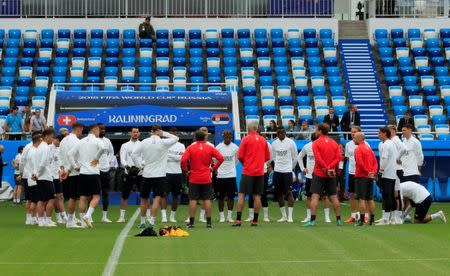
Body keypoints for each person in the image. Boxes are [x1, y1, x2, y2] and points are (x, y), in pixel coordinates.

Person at [132, 125, 179, 228]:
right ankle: (152, 222)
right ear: (158, 131)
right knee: (156, 199)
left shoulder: (144, 142)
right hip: (160, 175)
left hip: (147, 174)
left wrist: (139, 166)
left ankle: (143, 222)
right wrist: (164, 133)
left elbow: (134, 154)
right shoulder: (163, 142)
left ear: (151, 131)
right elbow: (176, 138)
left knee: (144, 199)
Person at [181, 130, 224, 228]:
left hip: (194, 177)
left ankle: (191, 223)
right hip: (206, 177)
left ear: (195, 138)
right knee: (207, 199)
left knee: (193, 200)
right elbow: (221, 158)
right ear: (205, 137)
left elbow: (183, 160)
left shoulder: (190, 148)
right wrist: (213, 169)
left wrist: (187, 170)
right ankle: (209, 223)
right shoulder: (209, 147)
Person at [67, 124, 106, 228]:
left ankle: (83, 223)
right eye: (99, 130)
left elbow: (69, 154)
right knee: (96, 196)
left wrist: (75, 166)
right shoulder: (98, 140)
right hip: (93, 172)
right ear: (95, 130)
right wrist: (97, 158)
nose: (100, 132)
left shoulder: (81, 141)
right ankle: (88, 215)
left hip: (82, 173)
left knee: (82, 197)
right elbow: (103, 148)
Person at [304, 123, 343, 227]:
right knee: (334, 197)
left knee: (315, 196)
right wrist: (330, 167)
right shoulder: (334, 143)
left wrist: (325, 167)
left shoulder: (316, 143)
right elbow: (339, 157)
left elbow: (318, 158)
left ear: (320, 131)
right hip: (330, 174)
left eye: (316, 130)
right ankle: (338, 220)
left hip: (319, 173)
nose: (315, 131)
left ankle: (312, 221)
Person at [233, 122, 270, 227]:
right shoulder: (263, 140)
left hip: (248, 171)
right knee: (257, 196)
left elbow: (240, 156)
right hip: (259, 172)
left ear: (248, 129)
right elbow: (267, 157)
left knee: (242, 194)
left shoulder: (246, 139)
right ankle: (255, 221)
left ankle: (238, 220)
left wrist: (246, 163)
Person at [298, 133, 332, 223]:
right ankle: (309, 217)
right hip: (310, 176)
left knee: (324, 197)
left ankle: (327, 217)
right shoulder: (307, 146)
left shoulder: (324, 147)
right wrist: (303, 168)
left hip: (321, 175)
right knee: (309, 197)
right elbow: (299, 157)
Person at [59, 121, 84, 228]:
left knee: (69, 197)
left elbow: (60, 156)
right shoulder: (77, 141)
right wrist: (68, 170)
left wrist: (62, 169)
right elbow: (73, 157)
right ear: (78, 129)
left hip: (65, 171)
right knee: (73, 198)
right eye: (81, 130)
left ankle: (72, 218)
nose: (82, 132)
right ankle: (70, 221)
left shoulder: (63, 140)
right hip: (73, 172)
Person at [271, 127, 298, 223]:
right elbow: (273, 157)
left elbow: (295, 158)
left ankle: (290, 216)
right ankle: (284, 216)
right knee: (279, 194)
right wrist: (278, 166)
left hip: (287, 172)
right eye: (278, 133)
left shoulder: (291, 143)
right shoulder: (274, 143)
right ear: (277, 134)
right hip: (277, 171)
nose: (280, 134)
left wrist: (290, 168)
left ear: (285, 133)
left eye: (282, 133)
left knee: (289, 193)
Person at [344, 126, 369, 223]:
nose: (352, 133)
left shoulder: (366, 144)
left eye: (355, 132)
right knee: (352, 194)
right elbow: (348, 158)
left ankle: (366, 215)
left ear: (359, 133)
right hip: (352, 172)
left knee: (363, 195)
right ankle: (353, 215)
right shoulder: (348, 145)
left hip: (362, 173)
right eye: (351, 132)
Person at [32, 128, 57, 227]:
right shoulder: (46, 147)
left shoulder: (38, 148)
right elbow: (42, 164)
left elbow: (35, 162)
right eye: (52, 137)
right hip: (45, 176)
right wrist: (37, 174)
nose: (53, 139)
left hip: (40, 176)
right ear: (47, 136)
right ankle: (46, 220)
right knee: (51, 199)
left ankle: (42, 220)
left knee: (42, 200)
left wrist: (35, 173)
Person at [118, 127, 142, 223]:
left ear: (139, 133)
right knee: (124, 196)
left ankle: (148, 216)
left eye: (137, 132)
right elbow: (122, 158)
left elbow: (145, 158)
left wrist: (140, 167)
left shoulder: (142, 144)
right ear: (130, 133)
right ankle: (121, 217)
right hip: (128, 173)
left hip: (140, 173)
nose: (135, 133)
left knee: (144, 196)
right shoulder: (125, 145)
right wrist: (127, 167)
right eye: (133, 132)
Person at [353, 132, 378, 226]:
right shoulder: (369, 149)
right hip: (369, 177)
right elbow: (375, 163)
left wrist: (368, 172)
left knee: (362, 199)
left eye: (355, 137)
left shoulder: (358, 149)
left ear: (360, 138)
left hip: (361, 176)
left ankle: (362, 220)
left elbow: (360, 163)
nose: (353, 139)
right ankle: (372, 220)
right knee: (370, 199)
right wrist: (372, 172)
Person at [215, 130, 239, 223]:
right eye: (226, 137)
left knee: (231, 197)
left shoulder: (235, 147)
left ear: (231, 137)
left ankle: (229, 217)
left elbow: (236, 160)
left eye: (229, 137)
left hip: (231, 175)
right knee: (220, 197)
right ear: (223, 137)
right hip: (220, 176)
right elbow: (215, 160)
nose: (228, 138)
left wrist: (231, 168)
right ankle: (222, 217)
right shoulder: (218, 147)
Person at [162, 127, 185, 223]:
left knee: (176, 196)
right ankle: (164, 216)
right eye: (171, 132)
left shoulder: (181, 145)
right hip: (166, 172)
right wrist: (175, 156)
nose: (173, 134)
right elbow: (163, 156)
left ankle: (172, 217)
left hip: (177, 173)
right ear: (169, 134)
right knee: (164, 194)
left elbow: (181, 158)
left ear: (177, 133)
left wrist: (169, 156)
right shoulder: (164, 143)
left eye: (175, 132)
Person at [246, 139, 272, 223]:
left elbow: (269, 157)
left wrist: (266, 166)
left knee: (263, 193)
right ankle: (250, 216)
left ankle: (266, 216)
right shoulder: (249, 142)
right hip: (251, 172)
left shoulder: (266, 143)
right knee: (250, 194)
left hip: (263, 171)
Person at [376, 126, 398, 226]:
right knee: (391, 196)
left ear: (385, 133)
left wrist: (380, 172)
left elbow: (384, 159)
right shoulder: (391, 143)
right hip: (392, 173)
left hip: (386, 173)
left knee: (386, 195)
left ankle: (385, 219)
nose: (378, 134)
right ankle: (392, 218)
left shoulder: (386, 145)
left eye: (379, 133)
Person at [388, 125, 406, 224]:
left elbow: (404, 149)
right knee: (395, 193)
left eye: (389, 130)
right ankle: (396, 216)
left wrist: (397, 159)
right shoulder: (393, 140)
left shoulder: (395, 139)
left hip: (397, 170)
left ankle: (398, 217)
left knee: (397, 193)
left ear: (394, 131)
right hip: (396, 169)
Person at [23, 134, 42, 226]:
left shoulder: (29, 149)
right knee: (36, 200)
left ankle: (30, 218)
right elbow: (36, 165)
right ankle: (34, 218)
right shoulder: (35, 151)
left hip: (29, 176)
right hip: (34, 177)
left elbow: (24, 161)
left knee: (31, 199)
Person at [98, 123, 114, 223]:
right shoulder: (94, 141)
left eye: (104, 129)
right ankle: (88, 216)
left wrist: (108, 161)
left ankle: (104, 216)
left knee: (105, 193)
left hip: (105, 170)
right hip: (95, 170)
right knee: (92, 194)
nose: (103, 130)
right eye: (101, 129)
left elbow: (111, 152)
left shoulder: (107, 141)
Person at [51, 135, 67, 224]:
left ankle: (62, 216)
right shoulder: (49, 148)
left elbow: (60, 163)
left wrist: (62, 171)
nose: (60, 144)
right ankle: (62, 216)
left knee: (60, 196)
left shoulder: (58, 149)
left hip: (57, 176)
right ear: (56, 140)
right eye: (60, 142)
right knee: (54, 198)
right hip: (51, 176)